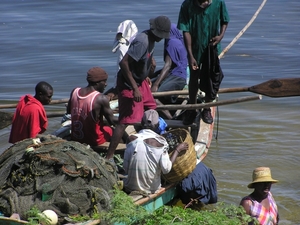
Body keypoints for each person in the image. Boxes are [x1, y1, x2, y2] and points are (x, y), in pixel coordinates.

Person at [105, 15, 172, 162]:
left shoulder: (152, 40)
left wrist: (148, 69)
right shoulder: (142, 41)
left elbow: (143, 59)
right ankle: (109, 157)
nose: (162, 39)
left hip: (140, 81)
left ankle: (149, 141)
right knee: (124, 121)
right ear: (155, 32)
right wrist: (135, 88)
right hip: (129, 83)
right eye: (161, 35)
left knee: (151, 108)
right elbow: (124, 64)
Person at [177, 0, 230, 124]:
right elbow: (186, 30)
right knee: (194, 78)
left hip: (212, 47)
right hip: (195, 49)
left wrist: (221, 35)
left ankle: (207, 108)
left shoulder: (218, 3)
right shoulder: (187, 5)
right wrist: (190, 55)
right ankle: (192, 108)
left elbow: (224, 20)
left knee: (211, 78)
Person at [123, 109, 188, 194]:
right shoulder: (161, 143)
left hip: (130, 186)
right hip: (151, 189)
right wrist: (177, 149)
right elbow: (166, 169)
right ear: (158, 125)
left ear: (142, 123)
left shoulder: (131, 139)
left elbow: (125, 168)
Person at [66, 67, 117, 146]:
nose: (106, 84)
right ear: (97, 83)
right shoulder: (100, 98)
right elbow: (112, 121)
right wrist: (126, 120)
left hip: (76, 137)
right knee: (116, 130)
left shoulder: (75, 92)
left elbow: (68, 111)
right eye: (104, 81)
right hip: (94, 140)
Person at [150, 23, 188, 105]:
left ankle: (170, 117)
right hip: (176, 73)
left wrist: (156, 84)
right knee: (150, 81)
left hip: (177, 77)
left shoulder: (171, 43)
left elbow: (168, 65)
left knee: (152, 96)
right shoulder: (179, 40)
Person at [106, 20, 139, 101]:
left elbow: (120, 68)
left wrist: (116, 88)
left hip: (126, 82)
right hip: (135, 79)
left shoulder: (123, 47)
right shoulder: (137, 44)